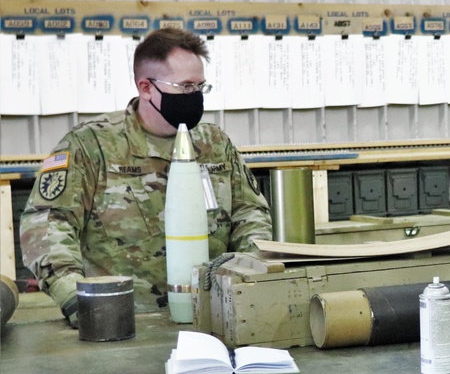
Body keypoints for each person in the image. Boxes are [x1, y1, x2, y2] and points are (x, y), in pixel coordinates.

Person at [20, 28, 272, 325]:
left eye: (201, 87)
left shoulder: (214, 143)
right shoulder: (92, 145)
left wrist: (251, 271)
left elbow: (250, 212)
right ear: (146, 87)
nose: (195, 97)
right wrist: (77, 299)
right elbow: (47, 224)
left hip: (214, 314)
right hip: (122, 321)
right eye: (186, 86)